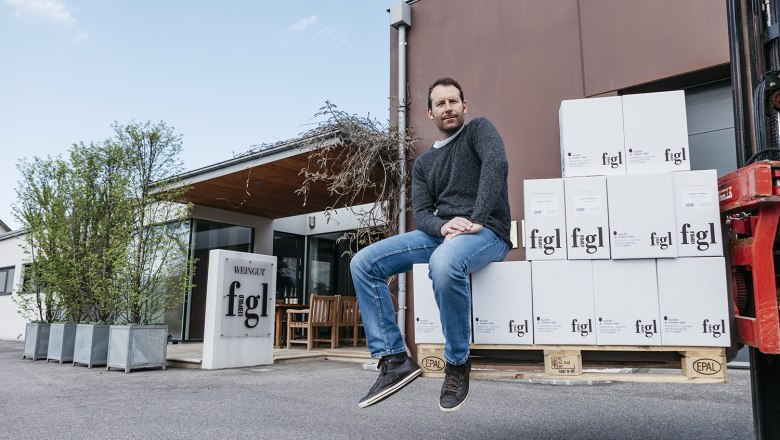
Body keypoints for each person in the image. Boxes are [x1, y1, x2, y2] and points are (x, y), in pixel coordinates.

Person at [350, 77, 512, 412]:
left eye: (454, 101)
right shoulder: (423, 164)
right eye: (441, 103)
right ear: (430, 112)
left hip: (487, 232)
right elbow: (422, 214)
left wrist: (478, 217)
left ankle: (456, 362)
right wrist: (443, 226)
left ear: (464, 106)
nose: (448, 108)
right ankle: (394, 359)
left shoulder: (479, 130)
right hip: (442, 233)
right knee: (363, 263)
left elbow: (496, 166)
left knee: (444, 263)